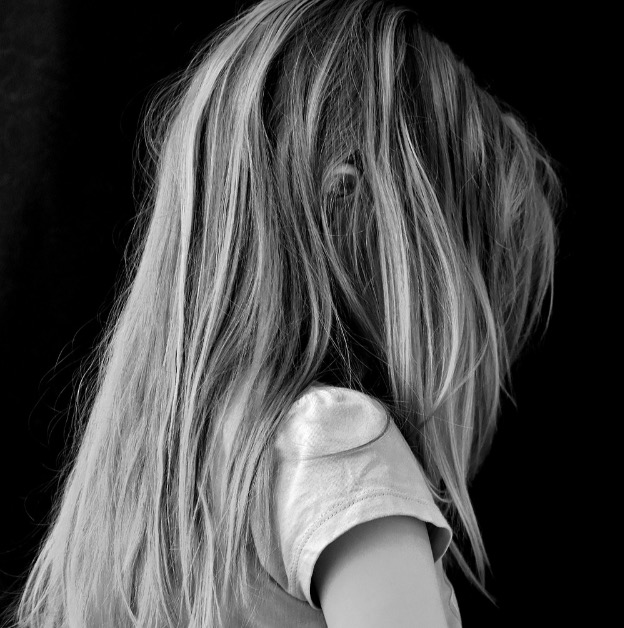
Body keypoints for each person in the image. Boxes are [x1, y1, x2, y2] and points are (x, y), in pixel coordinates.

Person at [3, 0, 560, 625]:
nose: (479, 335)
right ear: (347, 205)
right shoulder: (337, 444)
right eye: (463, 260)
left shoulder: (143, 483)